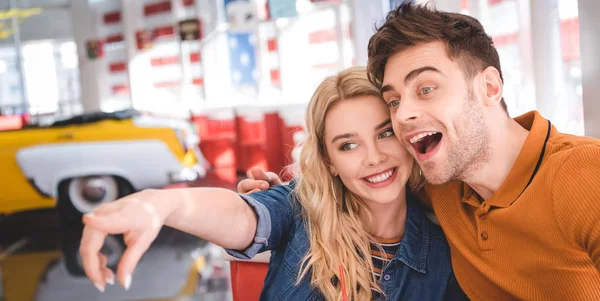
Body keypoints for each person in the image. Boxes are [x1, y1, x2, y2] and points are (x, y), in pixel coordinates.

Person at [242, 3, 600, 300]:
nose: (404, 114)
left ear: (490, 87)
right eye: (394, 100)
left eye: (426, 88)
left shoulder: (583, 172)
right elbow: (368, 178)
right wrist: (284, 195)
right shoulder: (439, 182)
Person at [78, 67, 468, 300]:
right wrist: (161, 205)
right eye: (348, 144)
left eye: (384, 134)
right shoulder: (303, 212)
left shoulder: (443, 248)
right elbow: (244, 215)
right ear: (329, 162)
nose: (373, 157)